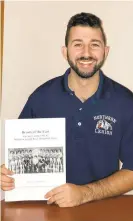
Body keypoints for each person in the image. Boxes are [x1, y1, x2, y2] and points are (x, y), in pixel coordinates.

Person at [1, 12, 133, 207]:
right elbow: (21, 158)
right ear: (65, 52)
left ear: (106, 51)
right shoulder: (41, 98)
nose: (86, 53)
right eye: (78, 44)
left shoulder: (125, 102)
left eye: (94, 44)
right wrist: (8, 175)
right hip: (48, 209)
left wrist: (85, 193)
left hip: (104, 210)